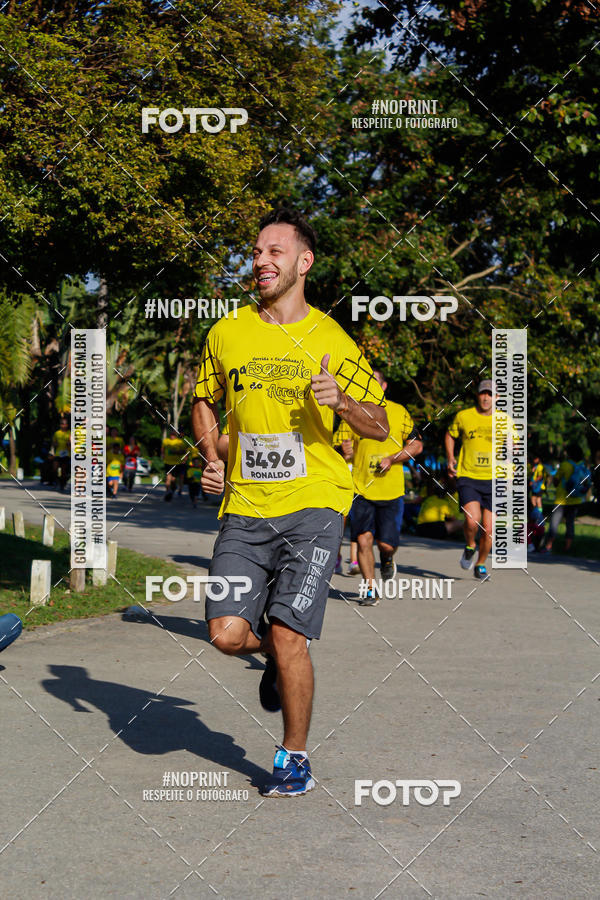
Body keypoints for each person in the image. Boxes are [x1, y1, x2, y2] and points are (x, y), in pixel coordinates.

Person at [192, 206, 388, 797]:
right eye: (256, 252)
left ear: (303, 263)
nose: (261, 261)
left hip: (316, 503)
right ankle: (276, 660)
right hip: (247, 505)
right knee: (225, 634)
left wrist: (343, 402)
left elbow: (379, 424)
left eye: (274, 251)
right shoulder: (227, 332)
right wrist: (212, 456)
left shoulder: (332, 339)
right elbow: (204, 399)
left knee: (288, 632)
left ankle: (294, 755)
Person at [346, 369, 422, 607]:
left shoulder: (399, 412)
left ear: (384, 386)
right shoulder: (352, 411)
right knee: (363, 538)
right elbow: (340, 444)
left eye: (376, 382)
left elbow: (417, 445)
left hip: (391, 490)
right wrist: (345, 451)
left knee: (386, 545)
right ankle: (370, 588)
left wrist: (392, 458)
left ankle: (387, 559)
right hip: (361, 488)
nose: (371, 386)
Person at [445, 380, 496, 581]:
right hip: (468, 476)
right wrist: (450, 458)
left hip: (494, 479)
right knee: (471, 520)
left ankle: (481, 564)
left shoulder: (504, 421)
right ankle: (470, 545)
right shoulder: (464, 416)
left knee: (489, 528)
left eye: (490, 394)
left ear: (496, 398)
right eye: (483, 393)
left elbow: (515, 446)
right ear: (477, 395)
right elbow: (450, 435)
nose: (486, 397)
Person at [544, 443, 591, 553]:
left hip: (561, 499)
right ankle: (567, 548)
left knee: (554, 523)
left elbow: (556, 481)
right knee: (570, 524)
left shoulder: (565, 465)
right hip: (576, 500)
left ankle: (548, 546)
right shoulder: (582, 466)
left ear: (569, 454)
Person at [333, 419, 359, 574]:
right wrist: (344, 451)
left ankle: (354, 560)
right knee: (340, 523)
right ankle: (336, 556)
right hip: (343, 480)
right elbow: (336, 449)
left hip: (363, 482)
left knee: (358, 523)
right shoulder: (345, 424)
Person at [161, 432, 187, 501]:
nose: (172, 436)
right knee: (168, 477)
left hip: (177, 463)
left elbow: (184, 451)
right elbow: (163, 449)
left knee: (174, 479)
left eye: (173, 435)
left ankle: (175, 488)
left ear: (176, 436)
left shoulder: (180, 442)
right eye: (171, 435)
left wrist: (177, 453)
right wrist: (163, 455)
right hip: (168, 462)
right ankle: (168, 491)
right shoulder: (166, 441)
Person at [51, 416, 71, 491]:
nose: (63, 425)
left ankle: (63, 484)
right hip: (58, 453)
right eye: (62, 424)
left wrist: (69, 443)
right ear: (60, 425)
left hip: (66, 454)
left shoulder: (70, 433)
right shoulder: (57, 433)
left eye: (65, 424)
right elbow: (53, 443)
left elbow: (72, 443)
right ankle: (56, 481)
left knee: (63, 471)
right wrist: (55, 445)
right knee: (54, 468)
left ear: (67, 425)